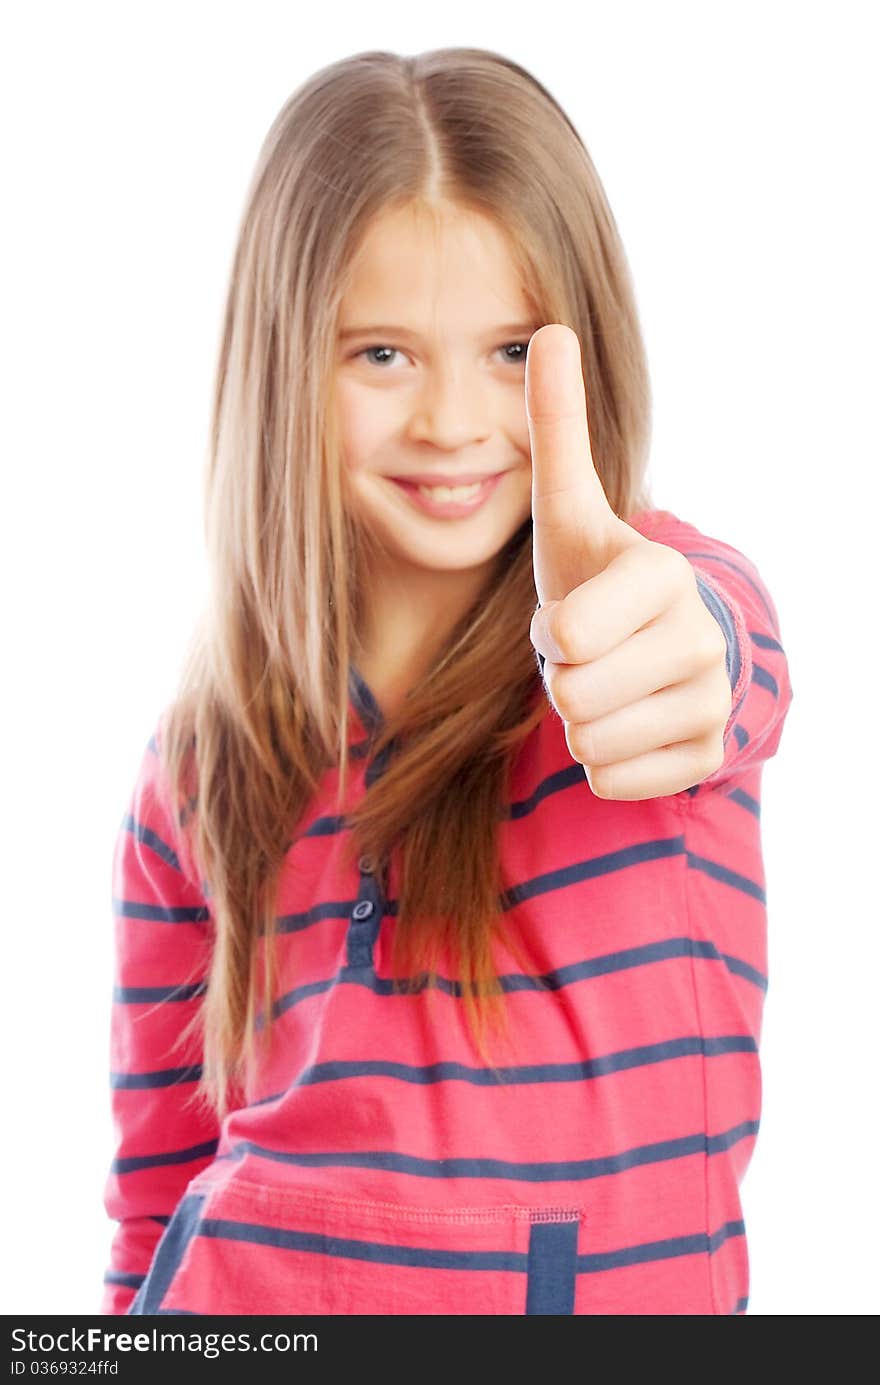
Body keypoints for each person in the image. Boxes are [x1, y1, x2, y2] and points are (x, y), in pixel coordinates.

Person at [101, 47, 793, 1317]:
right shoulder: (201, 759)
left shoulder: (630, 631)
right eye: (381, 355)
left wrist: (674, 644)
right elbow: (155, 1183)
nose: (451, 422)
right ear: (284, 366)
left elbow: (719, 654)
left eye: (510, 350)